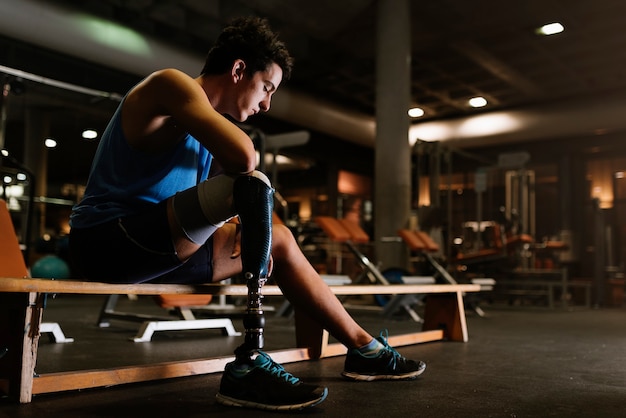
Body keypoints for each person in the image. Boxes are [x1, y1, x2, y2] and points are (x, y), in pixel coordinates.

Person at [68, 16, 426, 411]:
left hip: (160, 251)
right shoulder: (170, 84)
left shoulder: (205, 132)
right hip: (106, 241)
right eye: (266, 87)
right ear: (239, 69)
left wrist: (250, 230)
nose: (267, 103)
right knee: (251, 181)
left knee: (281, 238)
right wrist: (243, 213)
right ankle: (249, 362)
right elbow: (245, 157)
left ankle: (364, 349)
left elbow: (211, 205)